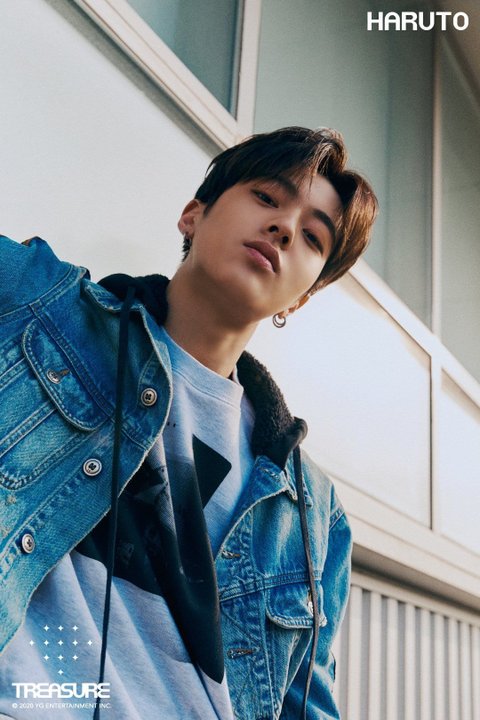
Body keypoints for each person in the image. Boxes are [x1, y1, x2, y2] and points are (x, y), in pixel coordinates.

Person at [0, 126, 377, 720]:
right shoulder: (43, 308)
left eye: (312, 236)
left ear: (300, 299)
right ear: (192, 216)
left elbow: (306, 706)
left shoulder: (312, 511)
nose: (284, 228)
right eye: (267, 197)